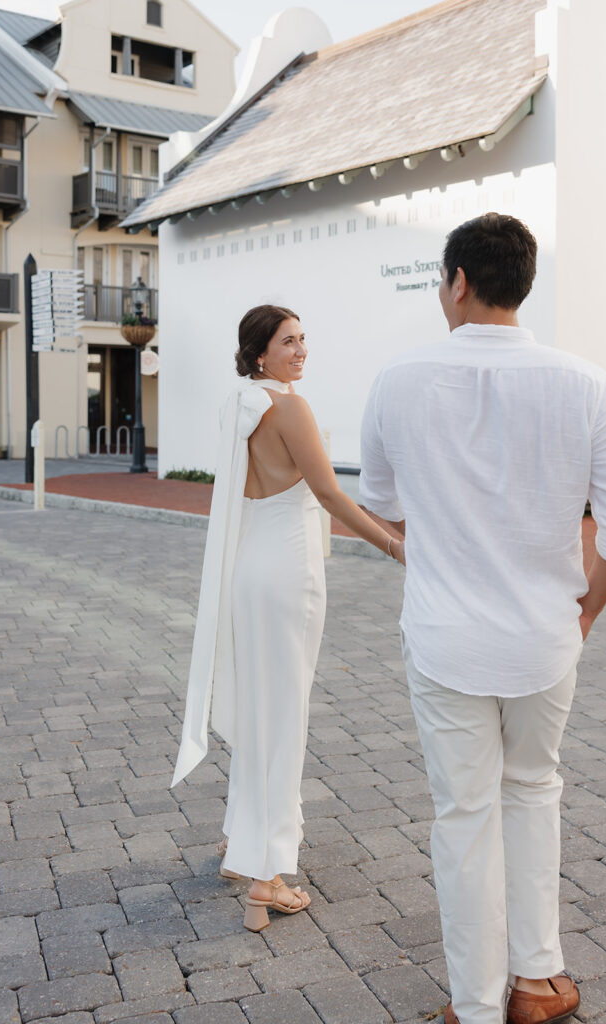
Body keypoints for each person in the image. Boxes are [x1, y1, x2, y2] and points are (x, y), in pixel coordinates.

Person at [359, 214, 606, 1024]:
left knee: (463, 814)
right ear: (521, 283)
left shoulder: (396, 380)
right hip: (545, 636)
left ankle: (475, 1004)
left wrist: (435, 546)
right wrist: (586, 609)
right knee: (533, 792)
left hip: (444, 635)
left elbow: (382, 508)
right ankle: (536, 978)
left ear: (456, 281)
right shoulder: (585, 382)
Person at [172, 304, 404, 932]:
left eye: (304, 339)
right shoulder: (289, 408)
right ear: (259, 354)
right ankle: (267, 880)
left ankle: (239, 843)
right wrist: (393, 546)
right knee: (282, 717)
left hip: (251, 569)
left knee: (258, 710)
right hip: (288, 573)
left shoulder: (239, 405)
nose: (301, 351)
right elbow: (329, 493)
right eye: (287, 342)